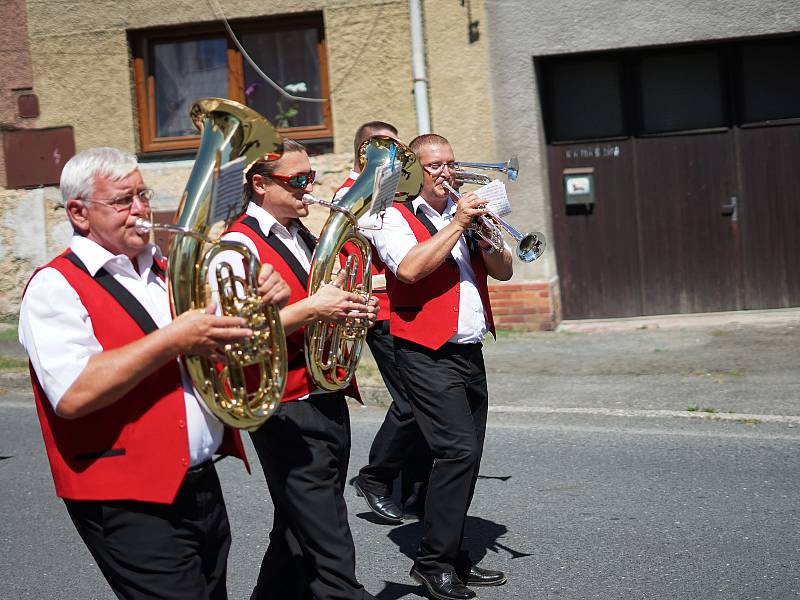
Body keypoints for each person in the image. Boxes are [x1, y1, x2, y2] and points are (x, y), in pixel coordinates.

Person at [18, 147, 290, 600]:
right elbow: (72, 393)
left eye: (142, 194)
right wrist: (172, 339)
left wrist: (261, 302)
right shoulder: (55, 286)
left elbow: (221, 347)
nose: (142, 209)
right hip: (126, 499)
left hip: (199, 482)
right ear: (79, 214)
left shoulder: (166, 272)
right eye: (124, 201)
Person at [220, 138, 379, 600]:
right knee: (329, 541)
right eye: (298, 181)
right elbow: (237, 336)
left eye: (311, 177)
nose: (310, 189)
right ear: (260, 184)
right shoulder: (236, 248)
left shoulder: (303, 234)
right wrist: (315, 308)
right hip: (283, 405)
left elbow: (322, 305)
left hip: (325, 395)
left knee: (295, 527)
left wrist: (351, 308)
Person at [370, 133, 513, 600]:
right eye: (435, 166)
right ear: (413, 172)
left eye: (451, 163)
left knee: (468, 456)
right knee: (456, 453)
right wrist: (455, 223)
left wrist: (487, 232)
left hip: (469, 351)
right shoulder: (392, 216)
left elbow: (505, 270)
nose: (447, 172)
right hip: (425, 353)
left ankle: (452, 556)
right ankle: (432, 563)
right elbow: (408, 270)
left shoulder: (463, 216)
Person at [337, 121, 432, 525]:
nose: (398, 158)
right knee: (412, 402)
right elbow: (367, 248)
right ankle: (374, 478)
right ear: (365, 153)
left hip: (410, 307)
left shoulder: (396, 190)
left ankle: (413, 493)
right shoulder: (353, 192)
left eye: (398, 149)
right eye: (387, 150)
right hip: (381, 311)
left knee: (425, 407)